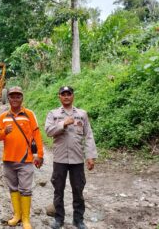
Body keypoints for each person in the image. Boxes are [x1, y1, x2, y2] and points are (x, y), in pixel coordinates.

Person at [45, 86, 98, 229]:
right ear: (59, 97)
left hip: (77, 159)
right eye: (63, 94)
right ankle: (59, 219)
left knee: (78, 190)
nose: (66, 96)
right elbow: (48, 131)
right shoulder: (53, 114)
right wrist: (63, 123)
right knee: (58, 190)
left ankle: (78, 219)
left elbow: (88, 136)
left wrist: (90, 156)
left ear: (73, 96)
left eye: (69, 94)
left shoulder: (82, 114)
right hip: (59, 159)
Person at [0, 86, 44, 229]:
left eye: (18, 96)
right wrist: (4, 132)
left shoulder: (29, 114)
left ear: (22, 98)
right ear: (8, 98)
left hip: (26, 160)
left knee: (26, 189)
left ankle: (26, 219)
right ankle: (17, 215)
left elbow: (37, 135)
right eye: (12, 96)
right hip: (8, 159)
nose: (15, 99)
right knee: (13, 188)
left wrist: (39, 155)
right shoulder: (3, 117)